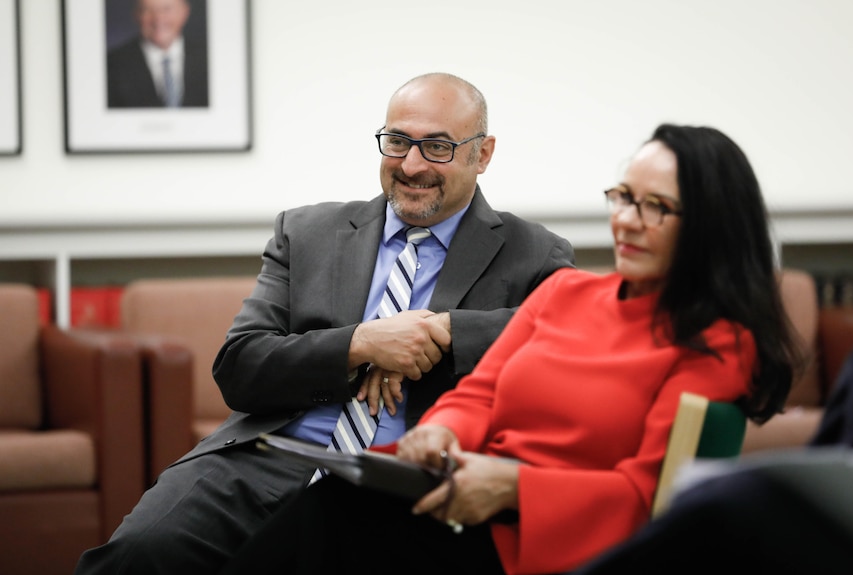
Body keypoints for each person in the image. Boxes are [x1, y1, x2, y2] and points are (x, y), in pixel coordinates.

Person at [215, 124, 803, 575]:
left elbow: (646, 495)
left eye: (656, 207)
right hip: (461, 501)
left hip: (539, 537)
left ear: (710, 225)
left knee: (336, 524)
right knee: (338, 502)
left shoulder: (720, 342)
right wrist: (441, 431)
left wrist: (513, 487)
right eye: (623, 197)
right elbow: (480, 392)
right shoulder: (568, 293)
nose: (626, 220)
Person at [74, 72, 575, 574]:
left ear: (482, 154)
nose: (412, 164)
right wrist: (360, 343)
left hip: (405, 477)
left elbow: (568, 343)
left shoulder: (532, 253)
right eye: (398, 141)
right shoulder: (308, 232)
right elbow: (240, 367)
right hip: (268, 460)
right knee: (135, 556)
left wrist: (443, 332)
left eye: (438, 147)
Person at [570, 326, 853, 575]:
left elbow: (641, 488)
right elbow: (830, 453)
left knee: (732, 504)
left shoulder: (717, 342)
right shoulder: (560, 296)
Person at [106, 0, 208, 108]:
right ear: (136, 14)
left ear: (185, 12)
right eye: (147, 10)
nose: (158, 18)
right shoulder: (111, 64)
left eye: (167, 9)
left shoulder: (209, 58)